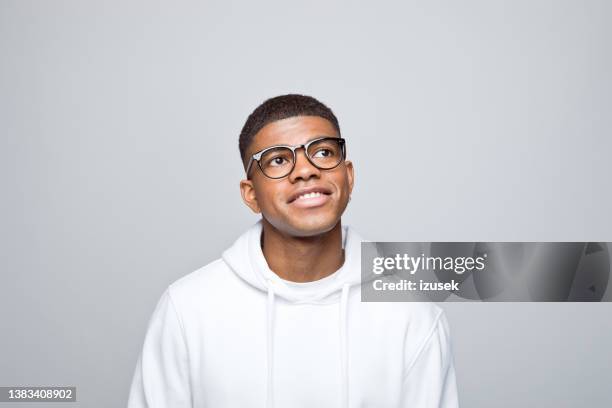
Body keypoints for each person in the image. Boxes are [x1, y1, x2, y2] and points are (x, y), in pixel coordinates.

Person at [127, 94, 459, 407]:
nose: (305, 170)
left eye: (324, 153)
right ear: (251, 194)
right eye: (278, 160)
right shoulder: (187, 309)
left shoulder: (411, 315)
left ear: (349, 176)